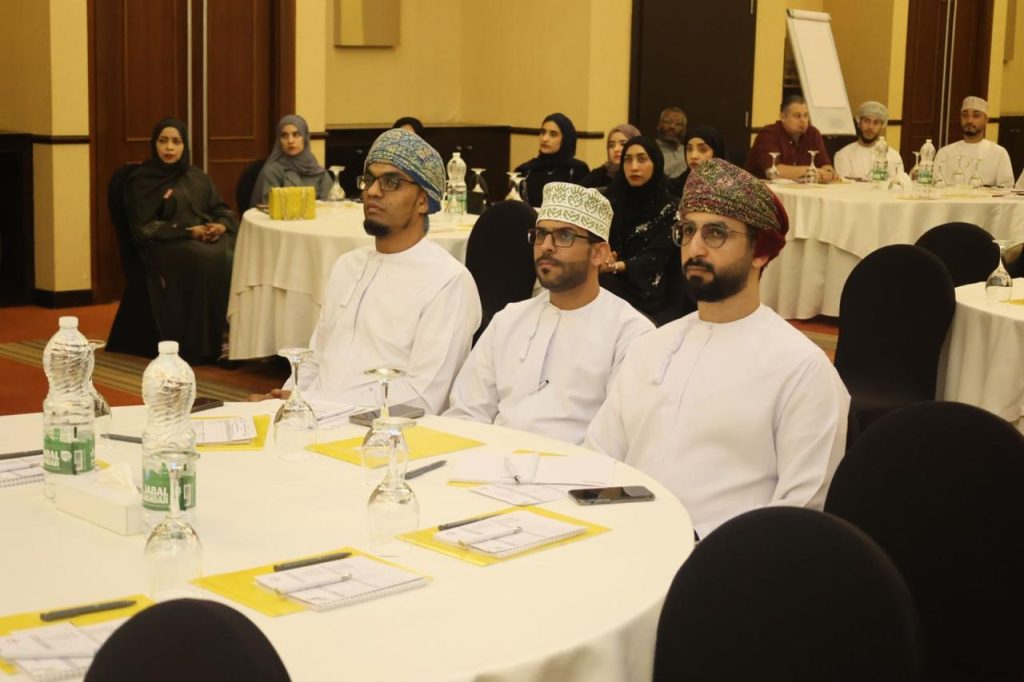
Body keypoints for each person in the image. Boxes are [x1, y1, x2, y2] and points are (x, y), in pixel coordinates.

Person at [587, 159, 850, 538]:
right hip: (623, 545)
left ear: (760, 251)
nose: (694, 248)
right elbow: (600, 459)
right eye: (687, 230)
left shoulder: (801, 369)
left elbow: (800, 513)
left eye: (715, 233)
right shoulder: (650, 347)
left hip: (726, 561)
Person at [253, 129, 481, 413]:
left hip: (382, 429)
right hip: (313, 418)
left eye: (391, 182)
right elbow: (315, 359)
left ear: (423, 201)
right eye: (369, 180)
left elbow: (423, 397)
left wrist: (318, 406)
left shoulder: (448, 281)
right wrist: (289, 399)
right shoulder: (347, 265)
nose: (372, 191)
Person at [445, 182, 653, 444]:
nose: (546, 246)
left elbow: (616, 441)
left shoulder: (630, 334)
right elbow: (466, 412)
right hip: (491, 461)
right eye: (540, 234)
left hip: (576, 467)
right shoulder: (509, 319)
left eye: (564, 235)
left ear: (598, 254)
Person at [124, 117, 237, 365]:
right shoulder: (142, 180)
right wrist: (187, 232)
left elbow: (221, 208)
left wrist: (220, 225)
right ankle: (210, 342)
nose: (169, 147)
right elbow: (145, 226)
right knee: (205, 257)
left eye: (176, 142)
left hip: (201, 239)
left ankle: (233, 334)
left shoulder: (196, 176)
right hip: (163, 244)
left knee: (235, 254)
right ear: (154, 144)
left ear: (184, 145)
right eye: (163, 141)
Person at [598, 136, 678, 318]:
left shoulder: (671, 208)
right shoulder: (612, 201)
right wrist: (602, 258)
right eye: (628, 160)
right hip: (609, 280)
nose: (634, 167)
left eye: (642, 159)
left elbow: (657, 256)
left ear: (656, 163)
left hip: (649, 291)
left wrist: (618, 266)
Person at [746, 94, 837, 182]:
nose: (803, 120)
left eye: (806, 115)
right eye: (797, 116)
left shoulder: (813, 133)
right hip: (761, 189)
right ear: (783, 117)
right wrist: (813, 171)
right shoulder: (768, 134)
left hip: (802, 188)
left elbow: (825, 165)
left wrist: (828, 173)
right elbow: (775, 171)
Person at [251, 114, 333, 205]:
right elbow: (270, 206)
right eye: (284, 136)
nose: (290, 141)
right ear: (279, 141)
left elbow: (330, 206)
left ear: (305, 138)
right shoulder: (272, 171)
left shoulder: (319, 172)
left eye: (296, 135)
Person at [934, 96, 1014, 187]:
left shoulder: (999, 153)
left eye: (976, 116)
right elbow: (935, 185)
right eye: (965, 115)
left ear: (986, 120)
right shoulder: (944, 152)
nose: (969, 120)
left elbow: (1006, 188)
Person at [514, 113, 590, 207]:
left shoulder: (577, 170)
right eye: (543, 132)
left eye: (553, 134)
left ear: (566, 139)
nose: (545, 139)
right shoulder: (525, 170)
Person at [833, 101, 905, 180]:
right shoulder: (843, 155)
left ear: (882, 126)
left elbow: (897, 183)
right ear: (859, 123)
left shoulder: (893, 156)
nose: (870, 127)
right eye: (866, 121)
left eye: (876, 122)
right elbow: (843, 184)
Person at [667, 124, 726, 196]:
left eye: (702, 150)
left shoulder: (730, 188)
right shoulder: (672, 187)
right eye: (689, 149)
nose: (693, 156)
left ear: (716, 153)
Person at [581, 123, 641, 189]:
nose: (616, 149)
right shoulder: (599, 174)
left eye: (623, 144)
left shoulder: (641, 174)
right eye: (611, 145)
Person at [655, 107, 688, 179]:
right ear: (658, 125)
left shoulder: (690, 151)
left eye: (678, 124)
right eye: (667, 122)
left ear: (685, 130)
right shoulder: (649, 150)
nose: (672, 126)